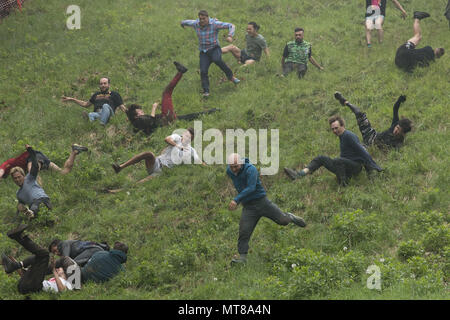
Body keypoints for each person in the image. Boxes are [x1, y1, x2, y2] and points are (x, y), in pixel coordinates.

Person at [227, 153, 306, 265]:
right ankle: (242, 258)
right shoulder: (229, 171)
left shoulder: (251, 170)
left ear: (241, 163)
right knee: (244, 231)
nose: (234, 169)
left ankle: (290, 217)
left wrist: (236, 199)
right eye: (231, 167)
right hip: (248, 207)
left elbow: (251, 188)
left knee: (282, 221)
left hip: (261, 202)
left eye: (236, 166)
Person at [284, 115, 382, 186]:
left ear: (343, 126)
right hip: (343, 165)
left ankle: (344, 183)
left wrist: (374, 166)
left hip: (355, 166)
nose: (334, 131)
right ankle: (299, 175)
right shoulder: (341, 136)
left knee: (337, 160)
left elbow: (362, 151)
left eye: (336, 128)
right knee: (321, 158)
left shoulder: (349, 135)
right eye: (333, 129)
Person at [125, 62, 219, 135]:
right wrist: (154, 107)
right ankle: (180, 72)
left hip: (166, 119)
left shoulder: (137, 123)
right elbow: (151, 121)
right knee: (167, 93)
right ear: (136, 116)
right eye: (140, 112)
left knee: (190, 116)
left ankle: (213, 111)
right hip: (165, 118)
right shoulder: (140, 120)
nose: (142, 112)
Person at [108, 128, 204, 193]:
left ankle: (120, 191)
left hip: (162, 171)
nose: (186, 138)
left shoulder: (191, 150)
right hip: (156, 163)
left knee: (141, 182)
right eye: (186, 135)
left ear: (192, 139)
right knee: (149, 154)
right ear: (183, 134)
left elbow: (199, 161)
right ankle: (120, 167)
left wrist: (211, 167)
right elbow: (166, 139)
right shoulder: (176, 137)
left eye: (189, 138)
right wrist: (177, 146)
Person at [181, 10, 240, 97]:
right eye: (200, 19)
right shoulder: (196, 24)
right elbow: (186, 22)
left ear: (208, 17)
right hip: (204, 52)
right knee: (203, 71)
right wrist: (182, 23)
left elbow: (231, 25)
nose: (202, 21)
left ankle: (231, 77)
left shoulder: (215, 24)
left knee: (217, 60)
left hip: (214, 48)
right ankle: (206, 91)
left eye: (204, 19)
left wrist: (230, 36)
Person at [1, 224, 75, 294]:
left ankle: (15, 263)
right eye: (58, 268)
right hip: (23, 285)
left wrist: (54, 271)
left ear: (65, 273)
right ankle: (15, 264)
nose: (58, 268)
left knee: (45, 255)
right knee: (38, 257)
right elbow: (25, 275)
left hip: (34, 287)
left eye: (60, 269)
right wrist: (14, 261)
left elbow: (62, 291)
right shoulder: (51, 280)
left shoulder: (67, 283)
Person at [334, 92, 412, 150]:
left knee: (354, 148)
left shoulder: (399, 143)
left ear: (403, 133)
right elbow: (395, 109)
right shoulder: (395, 124)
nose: (396, 130)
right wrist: (399, 100)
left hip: (370, 146)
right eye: (397, 128)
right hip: (371, 134)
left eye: (399, 130)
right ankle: (345, 102)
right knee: (359, 114)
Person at [0, 144, 88, 180]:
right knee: (63, 172)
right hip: (40, 157)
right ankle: (74, 152)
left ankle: (40, 193)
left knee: (32, 174)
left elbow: (1, 171)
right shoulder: (16, 169)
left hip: (33, 157)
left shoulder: (6, 164)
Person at [62, 77, 126, 125]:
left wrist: (131, 115)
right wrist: (72, 99)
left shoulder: (114, 94)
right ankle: (91, 125)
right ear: (99, 85)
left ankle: (102, 124)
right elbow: (85, 104)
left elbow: (122, 107)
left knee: (105, 105)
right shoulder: (96, 95)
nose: (103, 85)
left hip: (109, 114)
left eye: (105, 83)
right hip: (98, 114)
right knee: (90, 114)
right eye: (101, 84)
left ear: (109, 85)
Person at [11, 145, 52, 219]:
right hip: (33, 207)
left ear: (23, 176)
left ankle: (32, 213)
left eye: (19, 177)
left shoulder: (29, 178)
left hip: (42, 200)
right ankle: (32, 215)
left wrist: (31, 152)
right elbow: (20, 207)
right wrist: (16, 216)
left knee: (35, 206)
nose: (17, 179)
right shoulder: (19, 194)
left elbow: (35, 166)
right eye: (15, 178)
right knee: (28, 209)